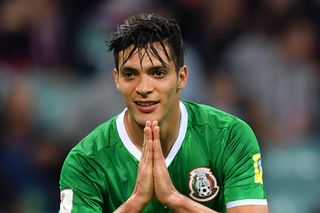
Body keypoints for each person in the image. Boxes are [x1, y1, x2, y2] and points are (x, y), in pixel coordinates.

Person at [59, 13, 268, 213]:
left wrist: (173, 199)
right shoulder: (85, 161)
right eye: (130, 74)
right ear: (117, 80)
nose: (144, 87)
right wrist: (135, 203)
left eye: (157, 73)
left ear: (182, 77)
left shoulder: (229, 136)